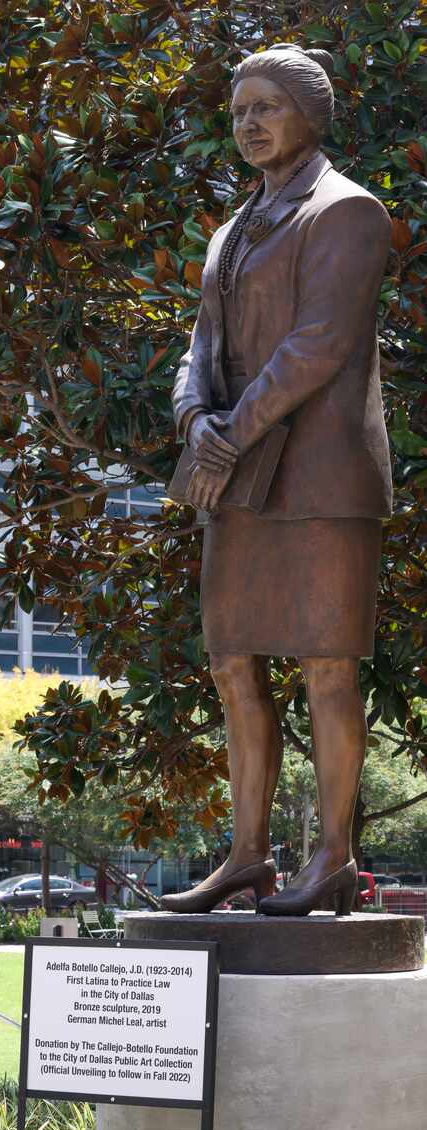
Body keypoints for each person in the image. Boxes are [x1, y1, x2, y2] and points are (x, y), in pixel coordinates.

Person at [160, 44, 392, 917]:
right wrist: (195, 421)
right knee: (232, 664)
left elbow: (320, 344)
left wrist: (227, 433)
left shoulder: (348, 212)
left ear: (310, 115)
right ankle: (247, 855)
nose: (249, 124)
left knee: (328, 665)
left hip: (322, 476)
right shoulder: (231, 230)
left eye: (266, 106)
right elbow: (199, 350)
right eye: (238, 111)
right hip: (239, 474)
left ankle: (334, 854)